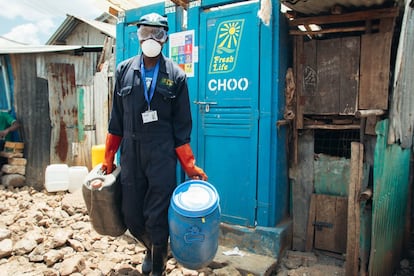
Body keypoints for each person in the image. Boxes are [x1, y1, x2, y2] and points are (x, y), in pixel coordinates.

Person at [101, 13, 207, 276]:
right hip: (132, 154)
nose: (150, 38)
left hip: (161, 154)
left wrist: (190, 167)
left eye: (157, 33)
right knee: (132, 214)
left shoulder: (176, 76)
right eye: (145, 32)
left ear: (166, 38)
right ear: (137, 35)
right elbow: (116, 122)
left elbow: (182, 129)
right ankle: (150, 247)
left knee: (157, 214)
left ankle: (158, 263)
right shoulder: (124, 71)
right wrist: (108, 157)